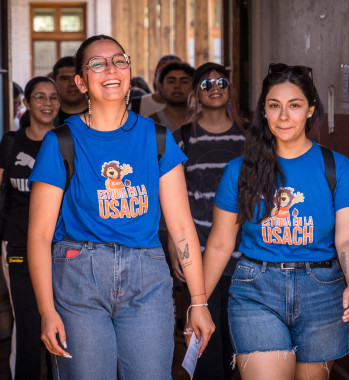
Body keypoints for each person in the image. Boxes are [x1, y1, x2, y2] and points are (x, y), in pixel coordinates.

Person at [27, 34, 214, 380]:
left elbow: (182, 228)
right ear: (81, 82)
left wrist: (198, 302)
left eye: (119, 60)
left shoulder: (157, 138)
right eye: (97, 63)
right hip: (79, 276)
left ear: (129, 71)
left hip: (147, 277)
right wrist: (46, 310)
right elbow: (39, 235)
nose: (111, 69)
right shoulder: (60, 142)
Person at [202, 63, 349, 380]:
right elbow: (221, 244)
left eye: (294, 106)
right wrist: (199, 303)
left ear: (310, 110)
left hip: (322, 290)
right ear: (263, 111)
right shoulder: (240, 170)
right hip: (256, 289)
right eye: (274, 106)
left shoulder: (338, 168)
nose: (283, 116)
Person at [170, 62, 245, 380]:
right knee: (204, 343)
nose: (215, 88)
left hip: (247, 256)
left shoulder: (251, 136)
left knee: (241, 344)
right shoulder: (183, 138)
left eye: (222, 82)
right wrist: (175, 246)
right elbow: (171, 198)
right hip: (199, 255)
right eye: (206, 84)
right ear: (196, 94)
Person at [0, 76, 59, 380]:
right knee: (27, 322)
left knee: (61, 323)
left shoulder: (66, 143)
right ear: (26, 103)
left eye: (53, 98)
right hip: (19, 246)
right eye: (40, 97)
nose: (47, 104)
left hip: (60, 249)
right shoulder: (11, 142)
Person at [149, 61, 194, 133]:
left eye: (184, 82)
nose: (177, 86)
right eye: (171, 81)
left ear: (194, 87)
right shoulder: (149, 124)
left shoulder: (204, 121)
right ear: (161, 87)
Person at [52, 56, 87, 127]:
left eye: (77, 78)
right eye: (65, 78)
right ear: (55, 83)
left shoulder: (103, 115)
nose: (72, 83)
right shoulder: (46, 118)